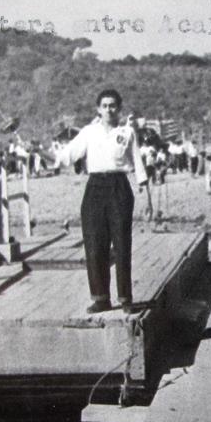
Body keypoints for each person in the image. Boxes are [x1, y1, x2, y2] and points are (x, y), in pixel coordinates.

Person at [53, 88, 148, 313]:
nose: (108, 109)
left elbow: (138, 161)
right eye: (104, 106)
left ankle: (126, 298)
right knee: (95, 244)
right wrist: (38, 152)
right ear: (98, 109)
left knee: (122, 244)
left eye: (113, 105)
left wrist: (146, 194)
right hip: (95, 188)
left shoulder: (127, 132)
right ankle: (101, 298)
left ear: (119, 108)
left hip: (119, 187)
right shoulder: (88, 132)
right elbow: (66, 156)